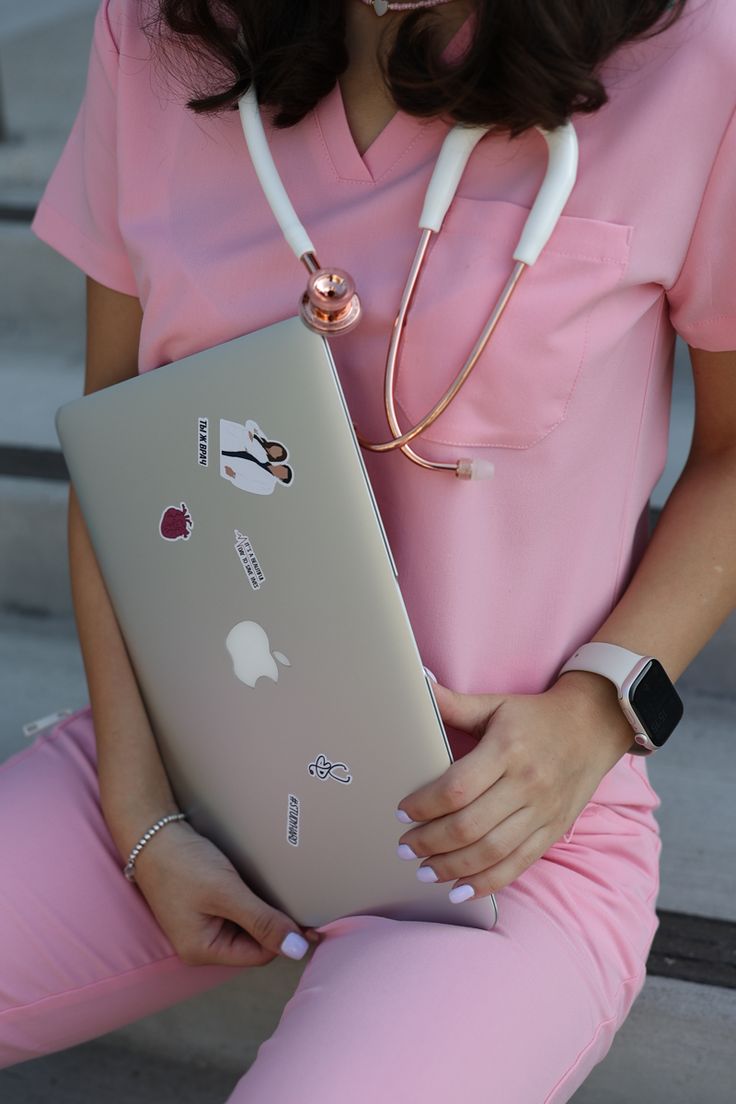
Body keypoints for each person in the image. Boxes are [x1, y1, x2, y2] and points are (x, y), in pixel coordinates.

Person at [2, 0, 735, 1099]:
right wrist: (140, 811)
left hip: (505, 831)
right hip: (189, 766)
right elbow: (121, 437)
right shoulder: (155, 30)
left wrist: (597, 708)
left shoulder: (692, 56)